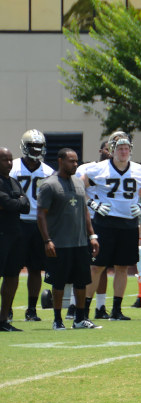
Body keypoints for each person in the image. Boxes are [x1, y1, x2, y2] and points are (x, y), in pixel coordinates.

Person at [80, 132, 141, 321]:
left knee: (122, 267)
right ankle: (84, 309)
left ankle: (117, 310)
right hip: (105, 222)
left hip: (129, 224)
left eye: (126, 148)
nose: (123, 151)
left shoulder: (139, 170)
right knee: (97, 267)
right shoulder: (99, 169)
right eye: (120, 148)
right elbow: (79, 187)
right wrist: (91, 203)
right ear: (112, 150)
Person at [36, 148, 101, 330]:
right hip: (60, 243)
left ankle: (79, 319)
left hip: (80, 242)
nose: (75, 164)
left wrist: (92, 235)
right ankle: (57, 319)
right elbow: (41, 215)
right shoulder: (49, 185)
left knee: (81, 282)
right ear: (60, 161)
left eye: (76, 161)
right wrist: (47, 240)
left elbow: (85, 212)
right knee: (59, 283)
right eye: (71, 161)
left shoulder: (79, 183)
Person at [12, 129, 54, 322]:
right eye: (32, 146)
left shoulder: (48, 172)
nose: (36, 150)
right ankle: (7, 309)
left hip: (38, 224)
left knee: (36, 268)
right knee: (10, 268)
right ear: (24, 146)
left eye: (39, 147)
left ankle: (31, 309)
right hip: (16, 222)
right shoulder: (12, 168)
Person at [78, 136, 113, 319]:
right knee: (83, 265)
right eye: (108, 148)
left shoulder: (120, 170)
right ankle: (76, 305)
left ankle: (100, 307)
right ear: (101, 151)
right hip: (87, 220)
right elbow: (77, 190)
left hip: (105, 223)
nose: (111, 152)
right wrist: (92, 204)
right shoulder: (87, 169)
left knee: (101, 265)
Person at [0, 147, 29, 330]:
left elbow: (26, 205)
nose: (9, 163)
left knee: (12, 276)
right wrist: (16, 202)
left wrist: (15, 202)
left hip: (15, 234)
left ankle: (4, 319)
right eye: (5, 160)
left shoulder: (13, 182)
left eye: (11, 159)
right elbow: (6, 203)